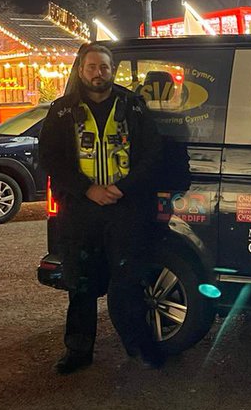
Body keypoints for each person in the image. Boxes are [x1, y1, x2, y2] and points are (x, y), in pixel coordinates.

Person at [40, 42, 167, 374]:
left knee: (128, 282)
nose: (99, 73)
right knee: (80, 285)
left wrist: (121, 188)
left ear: (113, 71)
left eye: (105, 67)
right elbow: (50, 159)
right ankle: (78, 351)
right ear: (81, 70)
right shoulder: (62, 110)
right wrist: (88, 189)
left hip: (126, 207)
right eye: (92, 67)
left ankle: (139, 348)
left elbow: (153, 154)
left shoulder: (133, 106)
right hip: (81, 210)